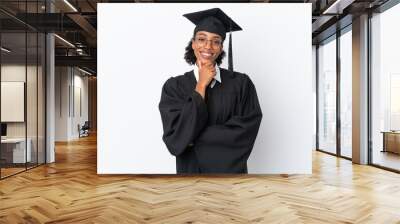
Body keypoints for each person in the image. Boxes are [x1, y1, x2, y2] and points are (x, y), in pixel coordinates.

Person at [158, 8, 262, 174]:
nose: (208, 46)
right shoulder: (174, 87)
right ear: (193, 44)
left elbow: (244, 133)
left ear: (221, 47)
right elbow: (174, 140)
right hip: (190, 176)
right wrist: (201, 85)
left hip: (230, 178)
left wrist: (191, 137)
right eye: (201, 39)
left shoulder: (242, 84)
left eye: (216, 41)